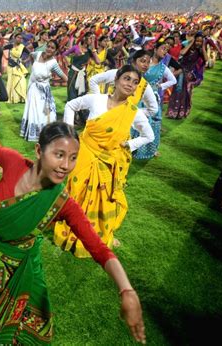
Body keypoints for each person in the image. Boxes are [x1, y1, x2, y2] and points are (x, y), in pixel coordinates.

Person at [0, 121, 146, 345]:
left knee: (24, 324)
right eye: (59, 155)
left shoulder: (62, 202)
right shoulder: (12, 161)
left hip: (23, 266)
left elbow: (98, 248)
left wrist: (126, 290)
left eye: (73, 157)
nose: (66, 165)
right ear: (38, 151)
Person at [59, 65, 154, 257]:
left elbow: (149, 135)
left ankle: (99, 233)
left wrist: (129, 144)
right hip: (85, 154)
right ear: (116, 80)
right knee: (77, 192)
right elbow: (71, 105)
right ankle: (71, 229)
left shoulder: (133, 112)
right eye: (127, 79)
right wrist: (70, 133)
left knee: (104, 199)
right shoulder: (97, 99)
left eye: (135, 82)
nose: (131, 85)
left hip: (108, 162)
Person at [131, 42, 177, 159]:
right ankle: (131, 146)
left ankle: (150, 149)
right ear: (155, 49)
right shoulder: (144, 62)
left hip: (151, 98)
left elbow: (173, 80)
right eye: (163, 48)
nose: (165, 52)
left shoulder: (162, 68)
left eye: (167, 50)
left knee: (152, 122)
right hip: (137, 95)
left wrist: (160, 86)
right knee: (133, 120)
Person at [20, 40, 67, 142]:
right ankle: (33, 133)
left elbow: (64, 77)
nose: (49, 49)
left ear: (55, 51)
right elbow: (31, 54)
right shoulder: (38, 54)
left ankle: (45, 133)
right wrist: (32, 66)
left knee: (45, 113)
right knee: (34, 111)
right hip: (33, 89)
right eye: (48, 46)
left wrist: (71, 84)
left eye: (52, 48)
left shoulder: (53, 63)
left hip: (44, 91)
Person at [167, 33, 208, 119]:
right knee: (178, 91)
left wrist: (203, 47)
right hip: (181, 72)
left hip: (190, 74)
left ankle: (183, 112)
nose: (198, 43)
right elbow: (182, 53)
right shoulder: (186, 46)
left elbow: (206, 59)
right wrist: (191, 43)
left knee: (187, 92)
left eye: (200, 41)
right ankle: (173, 112)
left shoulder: (200, 51)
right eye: (197, 41)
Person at [4, 33, 29, 104]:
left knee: (22, 80)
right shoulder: (10, 45)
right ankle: (12, 98)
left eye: (21, 38)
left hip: (18, 66)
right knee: (10, 82)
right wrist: (6, 58)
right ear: (15, 38)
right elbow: (2, 49)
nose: (20, 39)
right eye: (18, 37)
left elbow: (30, 54)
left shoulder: (22, 47)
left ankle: (20, 97)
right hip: (11, 65)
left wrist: (25, 60)